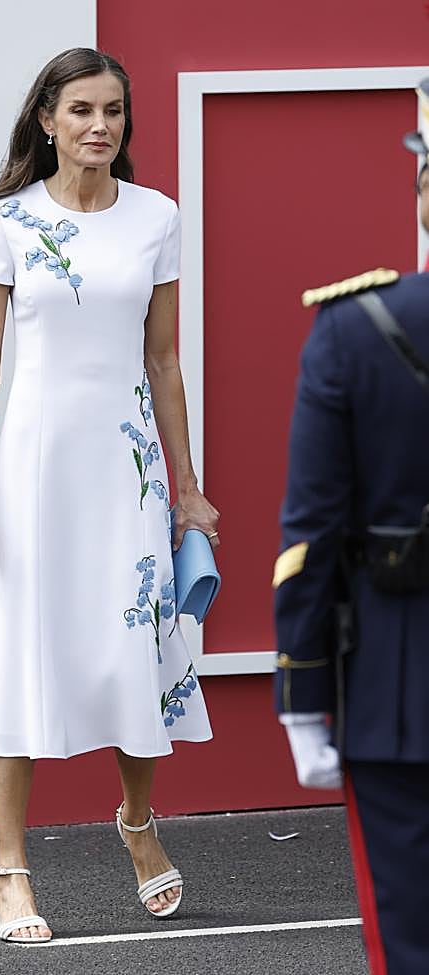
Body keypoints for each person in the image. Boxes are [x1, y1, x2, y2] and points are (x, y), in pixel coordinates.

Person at [0, 47, 219, 944]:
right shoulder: (6, 222)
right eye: (81, 109)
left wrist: (188, 489)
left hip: (125, 469)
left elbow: (163, 360)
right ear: (46, 118)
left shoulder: (155, 216)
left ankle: (135, 822)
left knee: (136, 645)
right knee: (16, 653)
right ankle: (10, 873)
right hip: (31, 467)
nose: (100, 125)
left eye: (113, 111)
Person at [272, 79, 429, 975]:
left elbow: (310, 537)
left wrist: (301, 697)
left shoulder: (352, 332)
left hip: (398, 694)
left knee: (407, 935)